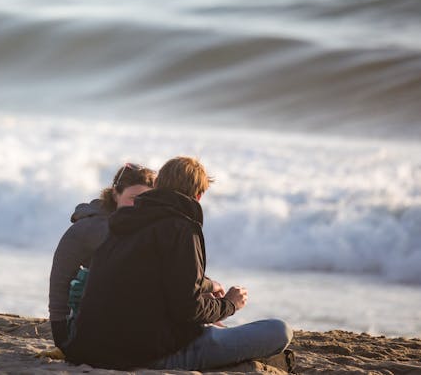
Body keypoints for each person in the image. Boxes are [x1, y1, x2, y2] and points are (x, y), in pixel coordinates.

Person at [62, 156, 293, 371]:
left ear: (158, 185)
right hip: (143, 356)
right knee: (279, 331)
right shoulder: (182, 228)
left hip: (89, 349)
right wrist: (229, 305)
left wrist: (207, 286)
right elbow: (188, 309)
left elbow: (152, 280)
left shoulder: (121, 224)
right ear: (198, 196)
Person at [47, 162, 156, 348]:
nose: (139, 205)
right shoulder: (92, 228)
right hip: (81, 327)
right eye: (133, 198)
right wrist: (62, 336)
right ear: (115, 194)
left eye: (147, 198)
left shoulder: (140, 225)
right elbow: (59, 283)